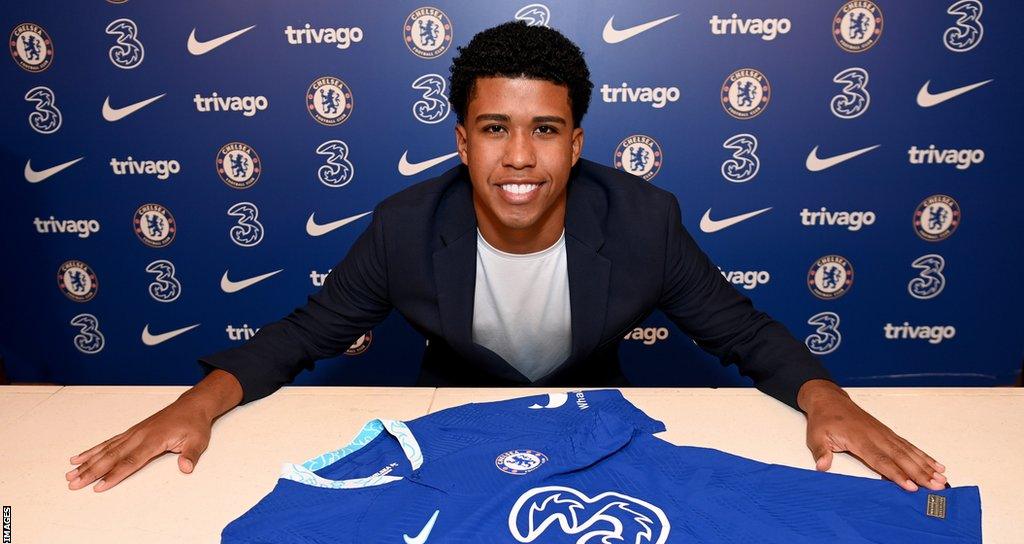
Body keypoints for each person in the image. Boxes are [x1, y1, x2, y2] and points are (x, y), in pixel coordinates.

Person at [67, 21, 947, 494]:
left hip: (592, 436)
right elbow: (307, 333)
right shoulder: (406, 227)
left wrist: (826, 398)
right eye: (495, 129)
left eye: (544, 131)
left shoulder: (642, 220)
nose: (518, 158)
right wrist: (197, 405)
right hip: (450, 434)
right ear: (461, 139)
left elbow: (740, 330)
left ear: (576, 142)